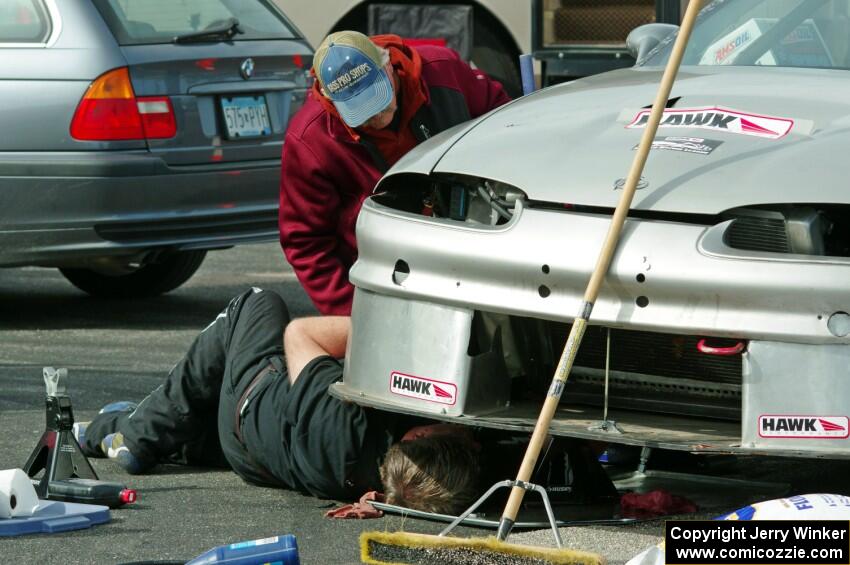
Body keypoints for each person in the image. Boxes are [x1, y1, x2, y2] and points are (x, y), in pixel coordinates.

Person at [75, 288, 481, 514]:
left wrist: (389, 335)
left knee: (256, 303)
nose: (463, 428)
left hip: (250, 405)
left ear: (420, 433)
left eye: (455, 430)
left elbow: (301, 336)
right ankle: (100, 432)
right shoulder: (391, 484)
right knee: (183, 427)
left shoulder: (344, 423)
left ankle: (139, 434)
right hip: (254, 460)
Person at [279, 31, 511, 315]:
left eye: (375, 96)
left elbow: (507, 125)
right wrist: (357, 315)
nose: (375, 116)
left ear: (388, 65)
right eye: (358, 109)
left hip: (471, 251)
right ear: (331, 101)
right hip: (383, 280)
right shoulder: (309, 140)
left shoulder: (443, 71)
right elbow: (307, 243)